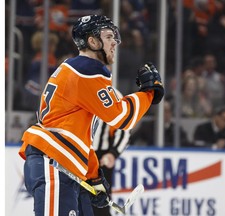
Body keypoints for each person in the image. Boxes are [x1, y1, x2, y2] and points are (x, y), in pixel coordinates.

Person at [18, 14, 164, 216]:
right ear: (92, 41)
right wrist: (149, 93)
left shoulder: (77, 70)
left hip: (63, 164)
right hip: (54, 164)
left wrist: (93, 176)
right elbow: (121, 118)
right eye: (109, 37)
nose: (115, 42)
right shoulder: (87, 70)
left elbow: (79, 134)